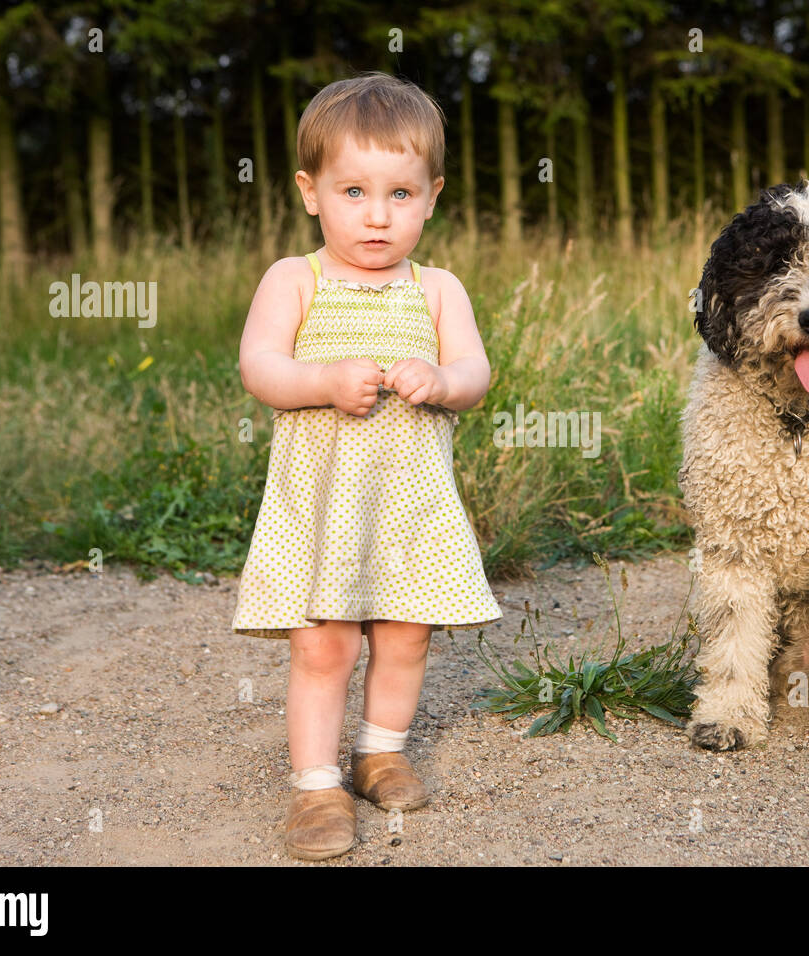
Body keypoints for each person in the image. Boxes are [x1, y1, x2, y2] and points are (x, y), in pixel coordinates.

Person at [231, 71, 502, 860]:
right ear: (311, 192)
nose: (378, 216)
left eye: (400, 194)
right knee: (325, 643)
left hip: (409, 504)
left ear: (432, 196)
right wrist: (320, 380)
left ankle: (380, 749)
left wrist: (444, 382)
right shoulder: (296, 279)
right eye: (353, 191)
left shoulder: (439, 290)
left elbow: (477, 377)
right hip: (321, 508)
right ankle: (315, 788)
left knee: (407, 632)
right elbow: (260, 368)